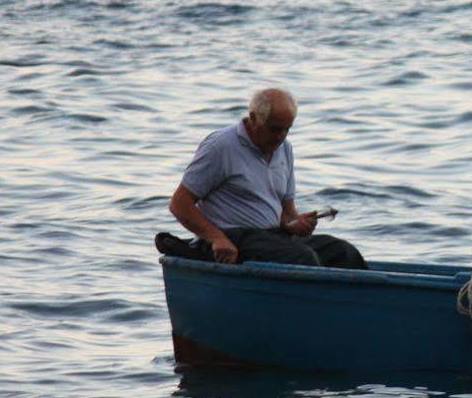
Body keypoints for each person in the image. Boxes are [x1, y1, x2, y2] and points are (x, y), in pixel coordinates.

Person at [157, 87, 367, 269]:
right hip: (233, 236)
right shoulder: (221, 147)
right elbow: (179, 204)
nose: (281, 136)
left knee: (344, 253)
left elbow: (287, 214)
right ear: (253, 118)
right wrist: (216, 238)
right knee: (301, 258)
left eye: (287, 129)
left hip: (272, 237)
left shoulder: (284, 149)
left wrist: (296, 224)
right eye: (275, 129)